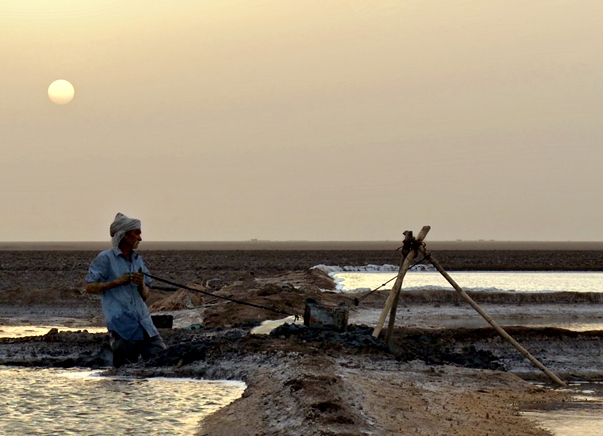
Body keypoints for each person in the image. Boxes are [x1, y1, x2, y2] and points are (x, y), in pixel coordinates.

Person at [86, 212, 166, 367]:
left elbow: (145, 295)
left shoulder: (138, 260)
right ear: (124, 236)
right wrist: (115, 282)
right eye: (137, 233)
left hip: (145, 325)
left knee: (162, 362)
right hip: (122, 328)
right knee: (124, 372)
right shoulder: (105, 259)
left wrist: (141, 285)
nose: (140, 238)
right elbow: (90, 287)